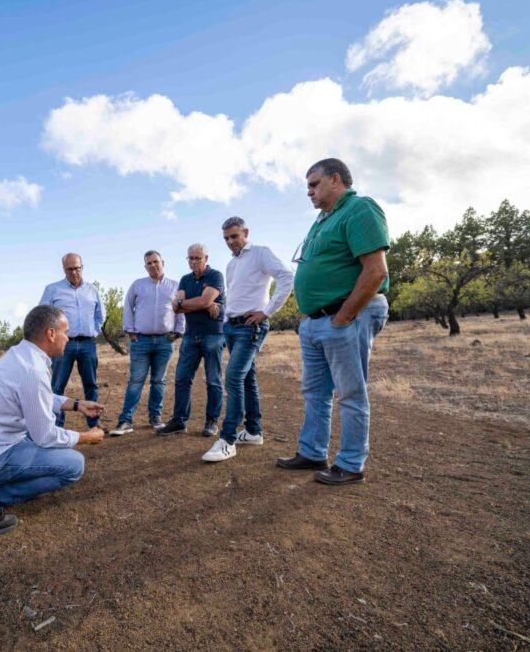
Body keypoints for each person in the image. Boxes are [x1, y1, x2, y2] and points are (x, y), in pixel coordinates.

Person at [0, 305, 106, 537]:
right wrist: (87, 437)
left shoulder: (21, 356)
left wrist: (75, 404)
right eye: (65, 332)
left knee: (40, 437)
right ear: (50, 333)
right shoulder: (33, 370)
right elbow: (45, 436)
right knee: (73, 465)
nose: (68, 338)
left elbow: (37, 396)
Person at [277, 158, 390, 484]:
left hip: (343, 317)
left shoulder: (360, 209)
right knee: (315, 392)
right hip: (315, 322)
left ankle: (351, 464)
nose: (309, 192)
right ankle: (312, 451)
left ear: (335, 180)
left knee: (351, 393)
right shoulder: (323, 219)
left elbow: (376, 271)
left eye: (314, 184)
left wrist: (343, 317)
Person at [202, 217, 293, 462]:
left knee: (233, 376)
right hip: (231, 327)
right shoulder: (232, 264)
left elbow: (287, 277)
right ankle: (253, 431)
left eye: (234, 236)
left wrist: (267, 311)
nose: (230, 242)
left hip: (251, 327)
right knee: (247, 378)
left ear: (245, 233)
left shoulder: (261, 253)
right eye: (226, 239)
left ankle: (228, 439)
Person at [110, 251, 185, 435]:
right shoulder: (137, 285)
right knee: (136, 380)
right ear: (145, 267)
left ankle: (155, 417)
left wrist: (178, 331)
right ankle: (126, 420)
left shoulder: (175, 286)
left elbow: (181, 310)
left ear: (163, 262)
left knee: (159, 381)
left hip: (165, 341)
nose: (153, 265)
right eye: (149, 263)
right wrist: (130, 330)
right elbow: (127, 307)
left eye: (156, 262)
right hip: (141, 340)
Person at [157, 243, 226, 437]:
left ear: (206, 258)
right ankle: (179, 421)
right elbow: (177, 307)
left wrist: (190, 303)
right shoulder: (185, 279)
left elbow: (195, 302)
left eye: (198, 258)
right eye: (191, 258)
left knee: (213, 380)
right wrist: (204, 304)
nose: (194, 262)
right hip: (191, 334)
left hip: (213, 333)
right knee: (182, 379)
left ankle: (211, 421)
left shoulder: (215, 276)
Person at [39, 253, 105, 430]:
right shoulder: (52, 290)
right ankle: (55, 427)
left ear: (82, 267)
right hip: (62, 346)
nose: (74, 272)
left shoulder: (93, 290)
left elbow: (101, 315)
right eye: (70, 269)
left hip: (87, 344)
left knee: (91, 385)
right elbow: (42, 315)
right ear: (64, 269)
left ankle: (94, 424)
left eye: (77, 268)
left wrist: (94, 331)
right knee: (57, 386)